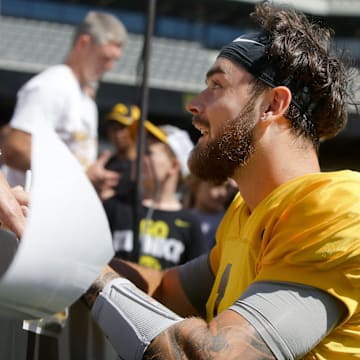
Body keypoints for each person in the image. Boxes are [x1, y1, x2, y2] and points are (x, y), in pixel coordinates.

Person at [82, 1, 360, 359]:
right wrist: (66, 244)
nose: (194, 104)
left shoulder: (339, 208)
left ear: (273, 105)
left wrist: (83, 275)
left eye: (217, 85)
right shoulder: (246, 210)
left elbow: (215, 355)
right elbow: (164, 289)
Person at [2, 11, 127, 196]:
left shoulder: (83, 96)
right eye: (105, 57)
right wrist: (80, 175)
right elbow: (15, 149)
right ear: (83, 43)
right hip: (32, 218)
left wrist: (93, 178)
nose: (110, 67)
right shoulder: (53, 84)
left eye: (114, 60)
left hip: (58, 215)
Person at [104, 122, 206, 269]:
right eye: (138, 151)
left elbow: (195, 285)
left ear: (174, 166)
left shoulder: (190, 224)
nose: (137, 158)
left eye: (147, 152)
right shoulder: (113, 207)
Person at [184, 175, 237, 250]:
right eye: (217, 185)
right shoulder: (183, 219)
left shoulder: (231, 220)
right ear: (195, 186)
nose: (223, 193)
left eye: (227, 187)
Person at [100, 103, 140, 201]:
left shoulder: (144, 167)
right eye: (113, 128)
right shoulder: (105, 164)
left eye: (122, 127)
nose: (117, 134)